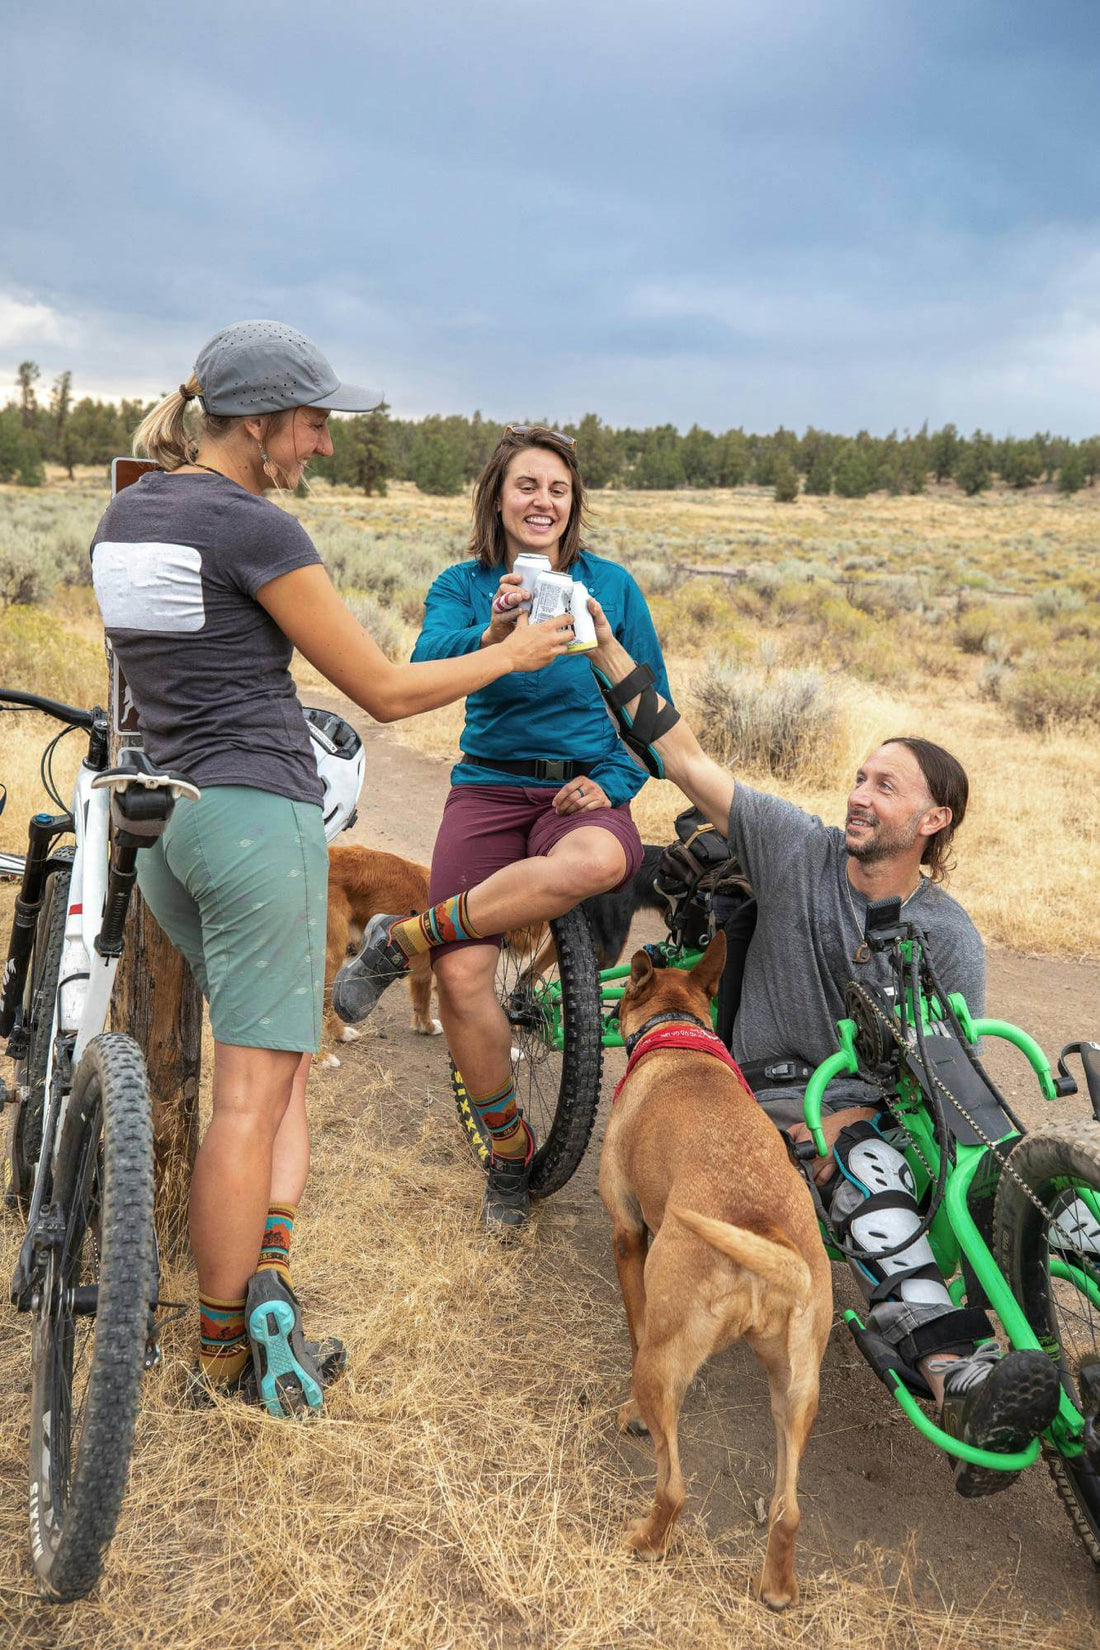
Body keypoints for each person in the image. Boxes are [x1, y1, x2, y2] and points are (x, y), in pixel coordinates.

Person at [90, 324, 573, 1414]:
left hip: (172, 829)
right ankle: (224, 1360)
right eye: (311, 422)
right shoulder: (254, 524)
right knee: (250, 1100)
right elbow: (385, 693)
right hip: (257, 823)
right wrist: (512, 653)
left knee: (278, 1071)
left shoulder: (131, 512)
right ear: (256, 421)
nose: (320, 442)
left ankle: (266, 1279)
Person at [572, 603, 1061, 1497]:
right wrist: (606, 646)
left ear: (934, 819)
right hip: (764, 1093)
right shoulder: (798, 850)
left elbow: (951, 1075)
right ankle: (955, 1374)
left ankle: (1019, 1321)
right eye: (860, 777)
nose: (859, 795)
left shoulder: (948, 935)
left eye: (886, 786)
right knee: (860, 1165)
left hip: (881, 1099)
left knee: (986, 1164)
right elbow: (683, 757)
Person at [333, 425, 669, 1232]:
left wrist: (615, 780)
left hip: (582, 796)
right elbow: (422, 665)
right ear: (498, 497)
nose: (542, 501)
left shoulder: (611, 586)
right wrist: (489, 634)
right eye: (527, 486)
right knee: (462, 979)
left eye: (557, 488)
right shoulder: (463, 583)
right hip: (488, 789)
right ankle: (510, 1158)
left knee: (595, 864)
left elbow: (650, 704)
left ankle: (403, 938)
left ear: (573, 503)